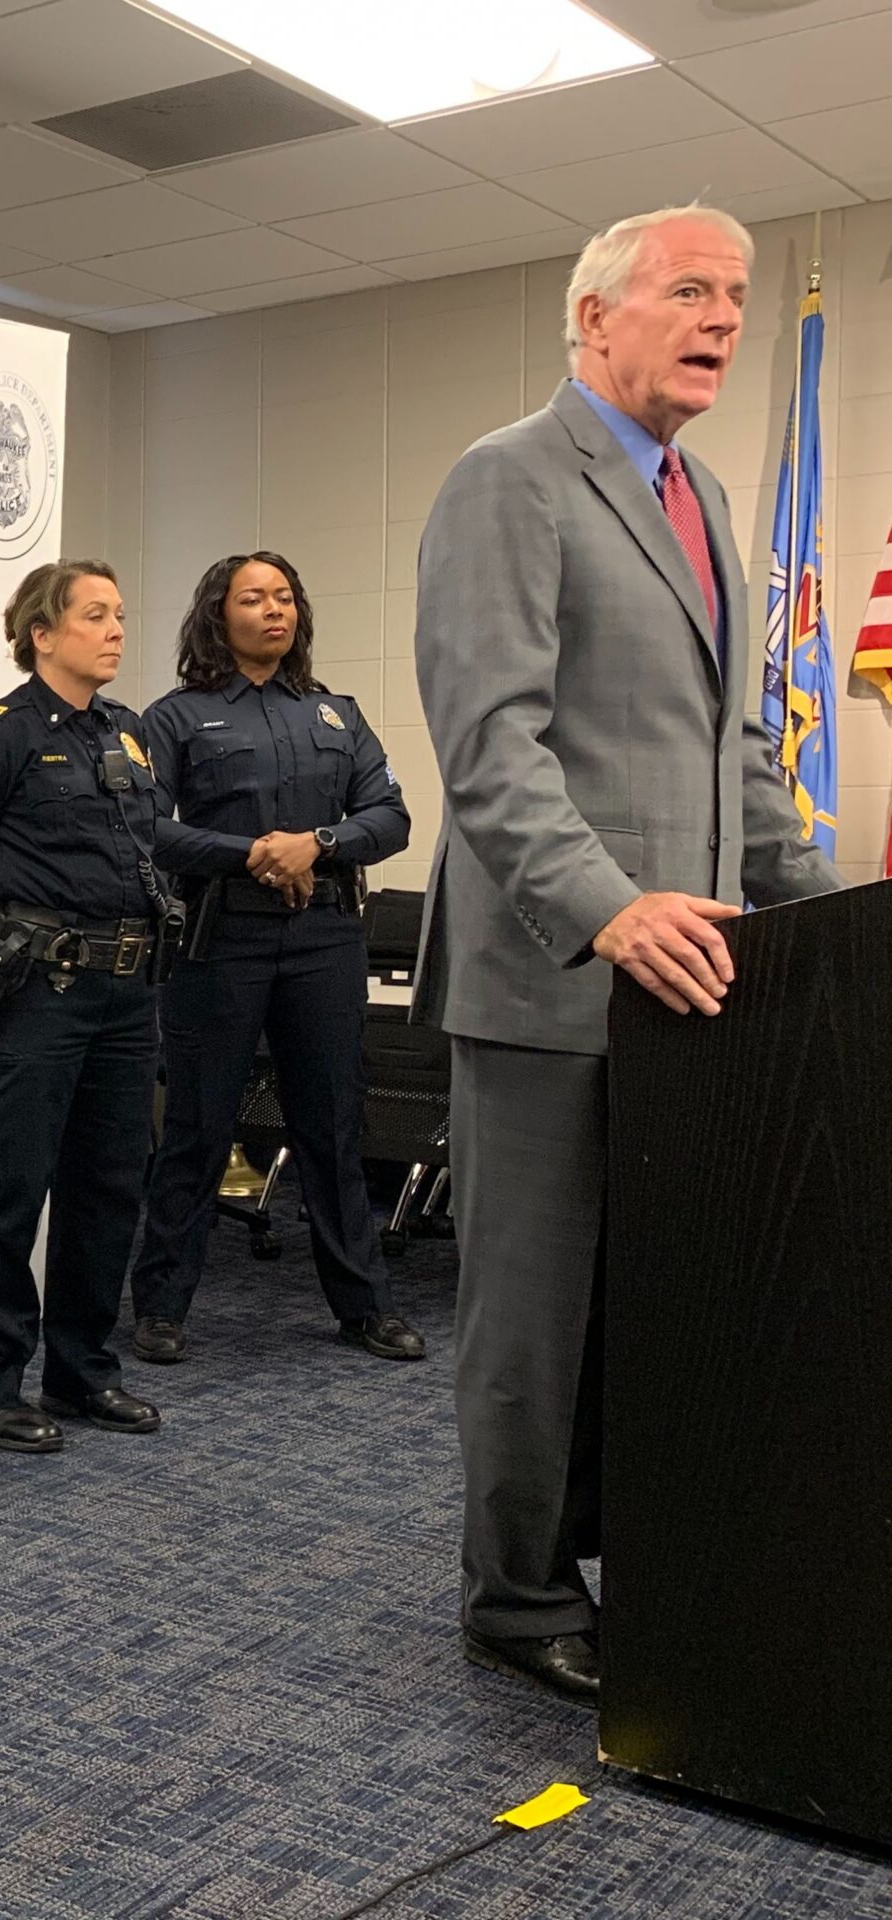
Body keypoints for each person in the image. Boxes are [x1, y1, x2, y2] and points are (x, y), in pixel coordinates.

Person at [416, 203, 841, 1703]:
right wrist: (609, 908)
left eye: (733, 294)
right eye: (687, 290)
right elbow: (491, 751)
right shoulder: (509, 479)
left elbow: (735, 753)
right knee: (532, 1314)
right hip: (555, 987)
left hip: (698, 995)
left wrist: (836, 913)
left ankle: (608, 1546)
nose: (721, 315)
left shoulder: (701, 496)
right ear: (594, 319)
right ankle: (517, 1596)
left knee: (643, 1310)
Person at [127, 552, 423, 1367]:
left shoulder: (336, 715)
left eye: (285, 596)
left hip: (325, 940)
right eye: (253, 598)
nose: (273, 611)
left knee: (332, 1126)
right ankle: (159, 1307)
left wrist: (316, 845)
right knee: (198, 1124)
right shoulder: (175, 718)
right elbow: (145, 829)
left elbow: (389, 816)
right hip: (220, 940)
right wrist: (251, 853)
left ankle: (363, 1308)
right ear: (217, 616)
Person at [0, 560, 170, 1457]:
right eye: (96, 615)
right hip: (38, 998)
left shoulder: (130, 737)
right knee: (13, 1190)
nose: (116, 631)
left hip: (127, 995)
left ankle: (83, 1369)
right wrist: (2, 948)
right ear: (42, 633)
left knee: (108, 1187)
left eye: (121, 615)